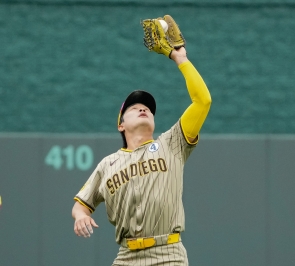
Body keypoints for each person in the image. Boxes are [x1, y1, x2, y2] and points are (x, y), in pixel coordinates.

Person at [71, 15, 211, 266]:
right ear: (121, 124)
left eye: (148, 108)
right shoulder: (108, 164)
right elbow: (82, 205)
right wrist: (80, 216)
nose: (144, 109)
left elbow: (203, 102)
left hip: (168, 254)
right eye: (135, 107)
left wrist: (181, 59)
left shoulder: (172, 143)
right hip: (126, 256)